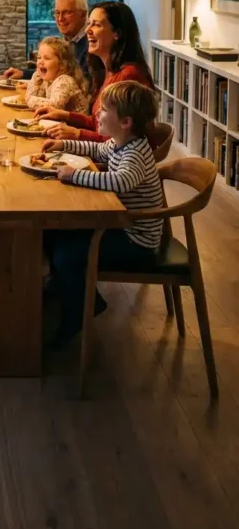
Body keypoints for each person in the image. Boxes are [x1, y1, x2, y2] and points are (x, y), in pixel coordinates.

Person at [43, 80, 164, 346]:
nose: (97, 113)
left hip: (136, 238)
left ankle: (78, 312)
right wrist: (64, 144)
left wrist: (76, 175)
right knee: (50, 233)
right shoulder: (120, 142)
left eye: (105, 110)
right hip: (121, 224)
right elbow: (97, 149)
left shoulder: (135, 152)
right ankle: (70, 289)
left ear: (126, 122)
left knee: (66, 253)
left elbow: (119, 181)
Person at [34, 1, 154, 143]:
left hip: (114, 163)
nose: (87, 30)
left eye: (96, 25)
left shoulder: (129, 75)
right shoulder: (107, 71)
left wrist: (77, 134)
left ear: (117, 33)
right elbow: (98, 124)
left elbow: (119, 142)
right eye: (89, 23)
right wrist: (64, 115)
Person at [5, 0, 89, 81]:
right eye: (57, 13)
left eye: (67, 12)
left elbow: (80, 80)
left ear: (83, 15)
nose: (60, 18)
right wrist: (22, 73)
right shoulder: (68, 39)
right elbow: (54, 72)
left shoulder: (91, 44)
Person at [25, 37, 88, 112]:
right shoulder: (49, 80)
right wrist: (36, 77)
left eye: (47, 58)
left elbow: (54, 107)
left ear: (62, 65)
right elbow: (36, 95)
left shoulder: (64, 80)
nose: (40, 62)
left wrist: (29, 99)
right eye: (39, 57)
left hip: (76, 123)